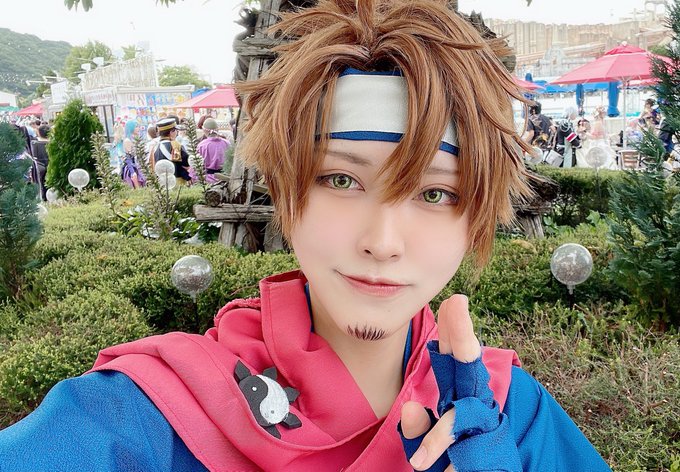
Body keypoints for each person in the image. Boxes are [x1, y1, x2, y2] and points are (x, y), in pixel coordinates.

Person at [0, 1, 611, 471]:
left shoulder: (513, 417)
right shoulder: (144, 417)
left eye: (435, 193)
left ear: (476, 215)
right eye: (341, 179)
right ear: (286, 195)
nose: (383, 242)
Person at [153, 117, 191, 184]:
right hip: (177, 181)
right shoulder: (175, 145)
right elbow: (186, 164)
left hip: (162, 183)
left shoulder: (155, 147)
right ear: (171, 132)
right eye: (176, 130)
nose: (177, 132)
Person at [196, 118, 230, 183]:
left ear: (204, 130)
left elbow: (197, 164)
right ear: (217, 129)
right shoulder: (227, 143)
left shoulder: (201, 145)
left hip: (208, 179)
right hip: (225, 178)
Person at [29, 124, 50, 200]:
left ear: (38, 132)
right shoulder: (53, 143)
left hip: (39, 167)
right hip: (50, 166)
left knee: (40, 186)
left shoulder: (34, 144)